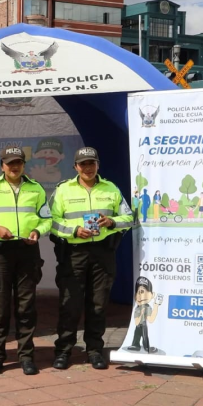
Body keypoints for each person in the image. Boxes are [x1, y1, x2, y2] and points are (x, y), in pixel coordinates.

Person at [0, 147, 51, 376]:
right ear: (2, 165)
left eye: (18, 163)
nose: (14, 167)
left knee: (26, 308)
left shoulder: (36, 188)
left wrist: (37, 231)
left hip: (27, 252)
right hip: (0, 254)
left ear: (24, 165)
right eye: (10, 163)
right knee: (0, 308)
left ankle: (26, 357)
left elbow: (47, 219)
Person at [49, 147, 133, 370]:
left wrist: (112, 222)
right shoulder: (63, 190)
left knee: (98, 304)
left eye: (91, 163)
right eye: (83, 164)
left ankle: (94, 350)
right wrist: (74, 230)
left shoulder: (111, 188)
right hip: (74, 253)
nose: (88, 168)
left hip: (103, 253)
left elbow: (129, 218)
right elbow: (51, 221)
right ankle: (63, 351)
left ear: (98, 165)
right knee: (70, 304)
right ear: (75, 167)